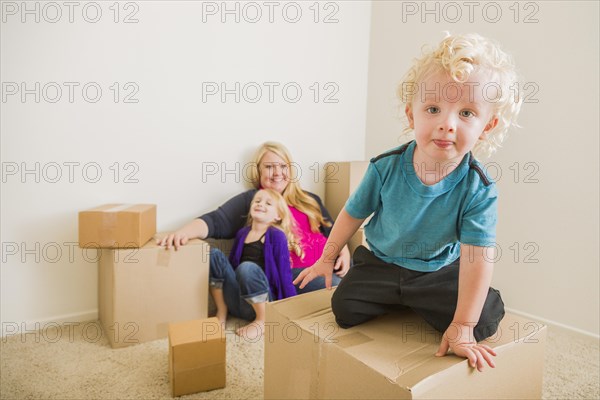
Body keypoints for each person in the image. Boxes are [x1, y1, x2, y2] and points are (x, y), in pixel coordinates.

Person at [294, 33, 522, 372]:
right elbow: (353, 213)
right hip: (380, 262)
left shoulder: (479, 188)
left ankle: (435, 301)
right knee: (344, 310)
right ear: (412, 115)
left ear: (486, 126)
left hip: (437, 271)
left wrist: (462, 325)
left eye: (466, 112)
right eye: (433, 109)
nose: (447, 123)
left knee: (484, 321)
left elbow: (477, 257)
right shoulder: (385, 167)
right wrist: (327, 257)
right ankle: (399, 298)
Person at [157, 141, 351, 293]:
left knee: (354, 277)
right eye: (269, 167)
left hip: (327, 265)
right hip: (292, 277)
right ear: (258, 171)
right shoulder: (255, 202)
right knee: (335, 286)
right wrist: (182, 233)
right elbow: (215, 221)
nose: (277, 173)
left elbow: (334, 230)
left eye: (283, 166)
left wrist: (343, 250)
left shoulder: (310, 199)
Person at [209, 188, 299, 339]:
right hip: (237, 299)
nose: (260, 204)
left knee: (247, 268)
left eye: (268, 203)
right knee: (213, 254)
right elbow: (230, 268)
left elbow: (285, 275)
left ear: (277, 216)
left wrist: (291, 309)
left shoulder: (277, 236)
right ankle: (222, 311)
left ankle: (262, 320)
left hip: (261, 303)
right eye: (257, 201)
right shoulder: (242, 233)